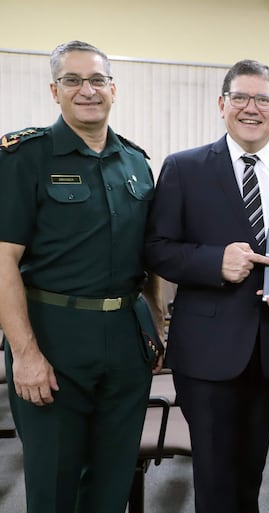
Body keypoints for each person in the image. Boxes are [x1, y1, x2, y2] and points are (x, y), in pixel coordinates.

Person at [144, 59, 269, 513]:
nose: (251, 108)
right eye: (240, 97)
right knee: (215, 476)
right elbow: (157, 249)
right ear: (222, 104)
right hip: (206, 353)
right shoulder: (185, 168)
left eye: (262, 99)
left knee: (251, 471)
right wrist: (213, 263)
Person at [0, 40, 161, 513]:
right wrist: (25, 355)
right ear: (55, 91)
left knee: (112, 481)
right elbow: (3, 260)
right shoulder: (23, 157)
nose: (86, 90)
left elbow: (147, 256)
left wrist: (154, 323)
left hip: (125, 342)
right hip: (53, 337)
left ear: (113, 88)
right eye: (73, 80)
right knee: (54, 483)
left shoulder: (136, 162)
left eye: (96, 80)